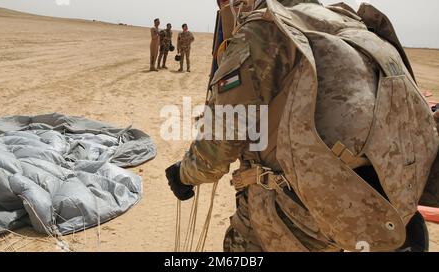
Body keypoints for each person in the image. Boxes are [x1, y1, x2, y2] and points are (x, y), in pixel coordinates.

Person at [166, 0, 439, 252]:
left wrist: (183, 175)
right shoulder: (352, 23)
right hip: (363, 210)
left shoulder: (264, 31)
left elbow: (218, 148)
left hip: (291, 220)